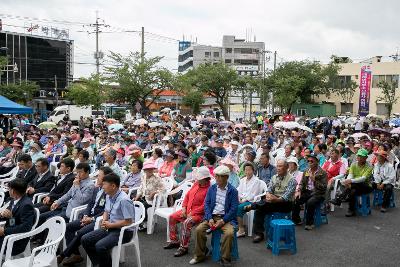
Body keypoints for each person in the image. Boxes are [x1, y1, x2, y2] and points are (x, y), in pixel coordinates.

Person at [57, 166, 113, 265]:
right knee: (69, 227)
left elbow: (106, 211)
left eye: (99, 176)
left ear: (107, 178)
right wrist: (86, 215)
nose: (97, 178)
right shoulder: (97, 189)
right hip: (89, 216)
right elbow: (90, 204)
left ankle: (63, 255)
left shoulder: (109, 192)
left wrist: (91, 219)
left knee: (81, 233)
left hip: (98, 220)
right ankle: (76, 254)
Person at [81, 173, 136, 267]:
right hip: (111, 227)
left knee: (100, 246)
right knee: (85, 239)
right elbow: (106, 210)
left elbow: (128, 222)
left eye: (104, 184)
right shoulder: (108, 195)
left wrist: (110, 225)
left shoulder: (124, 200)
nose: (102, 187)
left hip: (124, 231)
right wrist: (104, 220)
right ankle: (99, 263)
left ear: (113, 186)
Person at [189, 165, 239, 266]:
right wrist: (209, 217)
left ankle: (225, 258)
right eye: (216, 176)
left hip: (226, 218)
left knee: (229, 233)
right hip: (212, 216)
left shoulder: (233, 191)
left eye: (220, 176)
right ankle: (199, 255)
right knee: (199, 230)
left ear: (226, 177)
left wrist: (223, 220)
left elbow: (234, 209)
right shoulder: (212, 188)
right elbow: (206, 204)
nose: (217, 178)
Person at [164, 166, 211, 257]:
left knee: (187, 222)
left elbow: (205, 206)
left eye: (199, 178)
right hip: (188, 210)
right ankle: (174, 240)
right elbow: (187, 196)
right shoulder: (196, 184)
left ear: (206, 178)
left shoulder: (209, 189)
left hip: (199, 214)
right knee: (172, 217)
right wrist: (184, 208)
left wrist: (191, 213)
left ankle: (183, 247)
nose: (197, 179)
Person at [245, 159, 297, 243]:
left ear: (286, 168)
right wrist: (269, 195)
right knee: (260, 209)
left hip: (286, 204)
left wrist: (275, 199)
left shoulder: (292, 180)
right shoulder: (274, 177)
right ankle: (259, 233)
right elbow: (269, 190)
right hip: (273, 200)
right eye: (277, 166)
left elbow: (286, 197)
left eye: (280, 166)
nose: (278, 168)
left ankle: (253, 206)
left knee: (263, 205)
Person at [330, 149, 373, 217]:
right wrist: (348, 180)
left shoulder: (369, 166)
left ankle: (340, 199)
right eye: (359, 156)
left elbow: (363, 178)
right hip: (355, 186)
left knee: (357, 184)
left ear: (366, 158)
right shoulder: (354, 164)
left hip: (366, 186)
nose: (360, 158)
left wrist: (351, 181)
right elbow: (350, 174)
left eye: (362, 156)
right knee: (353, 191)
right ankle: (350, 209)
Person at [0, 179, 35, 256]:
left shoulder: (26, 205)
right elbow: (10, 217)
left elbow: (25, 228)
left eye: (9, 189)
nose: (8, 190)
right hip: (9, 232)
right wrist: (2, 215)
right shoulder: (15, 199)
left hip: (15, 241)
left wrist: (4, 231)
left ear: (12, 191)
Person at [292, 154, 327, 230]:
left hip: (318, 193)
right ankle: (296, 220)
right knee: (296, 199)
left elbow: (323, 187)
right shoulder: (306, 171)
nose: (309, 163)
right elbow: (301, 183)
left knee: (310, 202)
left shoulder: (322, 173)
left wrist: (314, 180)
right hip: (307, 191)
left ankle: (309, 223)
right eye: (308, 161)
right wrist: (299, 190)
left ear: (317, 162)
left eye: (312, 161)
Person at [236, 162, 265, 237]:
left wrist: (244, 200)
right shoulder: (243, 180)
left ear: (253, 170)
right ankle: (238, 224)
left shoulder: (256, 181)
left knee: (239, 207)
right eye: (246, 170)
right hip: (242, 199)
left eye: (249, 170)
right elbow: (239, 190)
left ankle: (241, 230)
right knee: (232, 204)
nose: (247, 172)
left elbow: (254, 194)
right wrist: (239, 198)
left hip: (251, 201)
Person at [135, 161, 165, 231]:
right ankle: (138, 221)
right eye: (148, 169)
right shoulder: (143, 177)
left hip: (153, 200)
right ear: (145, 170)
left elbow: (163, 189)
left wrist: (155, 192)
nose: (150, 170)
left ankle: (145, 223)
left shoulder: (157, 178)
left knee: (142, 205)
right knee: (134, 203)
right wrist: (137, 196)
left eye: (151, 169)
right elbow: (141, 188)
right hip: (144, 197)